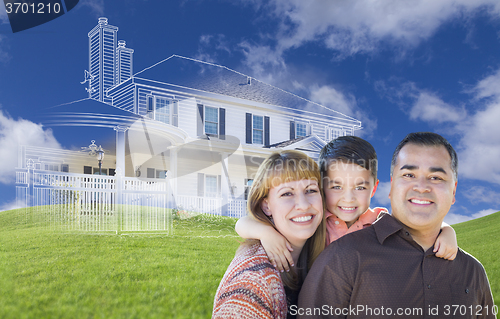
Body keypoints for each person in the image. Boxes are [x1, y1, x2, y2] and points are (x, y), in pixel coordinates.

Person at [297, 132, 495, 319]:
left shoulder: (473, 271)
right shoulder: (341, 255)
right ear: (391, 186)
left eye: (436, 177)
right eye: (409, 175)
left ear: (453, 191)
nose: (421, 186)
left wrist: (447, 230)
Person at [235, 136, 457, 273]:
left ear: (374, 187)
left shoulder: (380, 221)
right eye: (336, 187)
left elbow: (418, 226)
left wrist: (447, 232)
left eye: (360, 188)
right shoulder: (316, 222)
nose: (348, 199)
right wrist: (266, 234)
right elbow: (243, 223)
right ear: (322, 186)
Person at [212, 150, 326, 319]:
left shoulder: (323, 249)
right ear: (266, 206)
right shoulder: (252, 281)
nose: (303, 204)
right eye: (287, 193)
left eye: (310, 190)